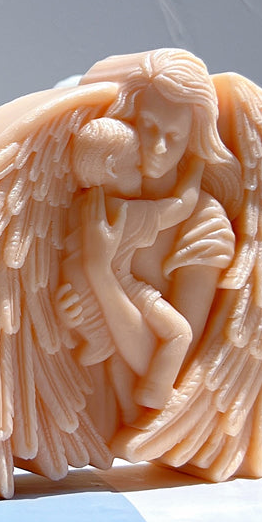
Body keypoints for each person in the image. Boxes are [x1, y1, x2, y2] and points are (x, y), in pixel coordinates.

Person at [57, 117, 205, 411]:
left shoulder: (77, 209)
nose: (142, 171)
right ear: (112, 167)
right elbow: (181, 207)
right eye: (136, 166)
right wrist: (198, 166)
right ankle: (156, 392)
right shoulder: (123, 213)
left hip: (82, 294)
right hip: (119, 285)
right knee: (179, 333)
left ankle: (127, 399)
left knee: (116, 355)